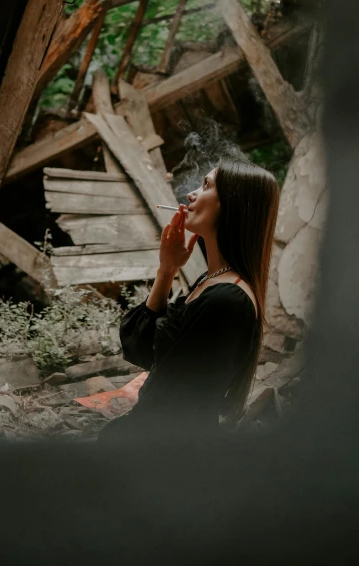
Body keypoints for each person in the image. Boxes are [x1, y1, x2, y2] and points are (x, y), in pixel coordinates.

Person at [98, 157, 280, 445]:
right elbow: (144, 351)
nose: (191, 195)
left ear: (232, 204)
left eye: (206, 185)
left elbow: (175, 406)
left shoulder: (227, 299)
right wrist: (166, 270)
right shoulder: (213, 283)